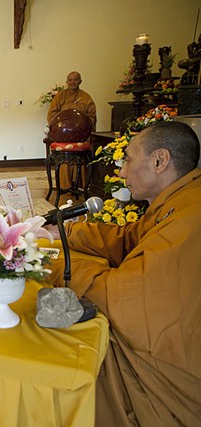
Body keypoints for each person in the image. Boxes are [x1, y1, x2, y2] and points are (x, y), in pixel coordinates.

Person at [46, 121, 201, 426]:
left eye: (128, 160)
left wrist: (54, 266)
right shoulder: (180, 199)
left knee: (68, 347)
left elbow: (125, 294)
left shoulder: (191, 216)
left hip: (174, 365)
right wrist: (68, 232)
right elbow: (129, 239)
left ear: (160, 161)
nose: (121, 172)